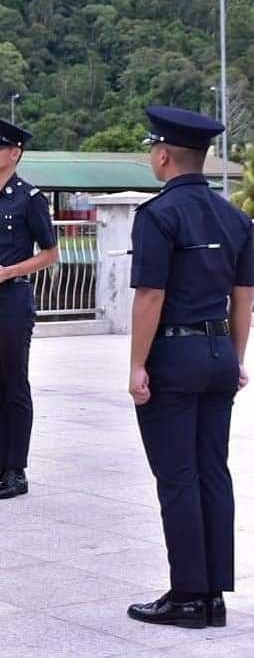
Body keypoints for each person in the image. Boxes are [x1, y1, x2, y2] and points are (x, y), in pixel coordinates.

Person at [125, 106, 253, 629]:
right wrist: (236, 356)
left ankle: (186, 596)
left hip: (174, 358)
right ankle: (213, 596)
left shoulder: (157, 215)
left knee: (177, 477)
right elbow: (244, 297)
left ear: (162, 155)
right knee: (212, 474)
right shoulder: (235, 217)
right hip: (219, 354)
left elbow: (151, 295)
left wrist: (137, 364)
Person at [0, 117, 57, 500]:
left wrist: (11, 272)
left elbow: (50, 254)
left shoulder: (30, 199)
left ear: (15, 153)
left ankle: (17, 470)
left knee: (14, 383)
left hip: (13, 297)